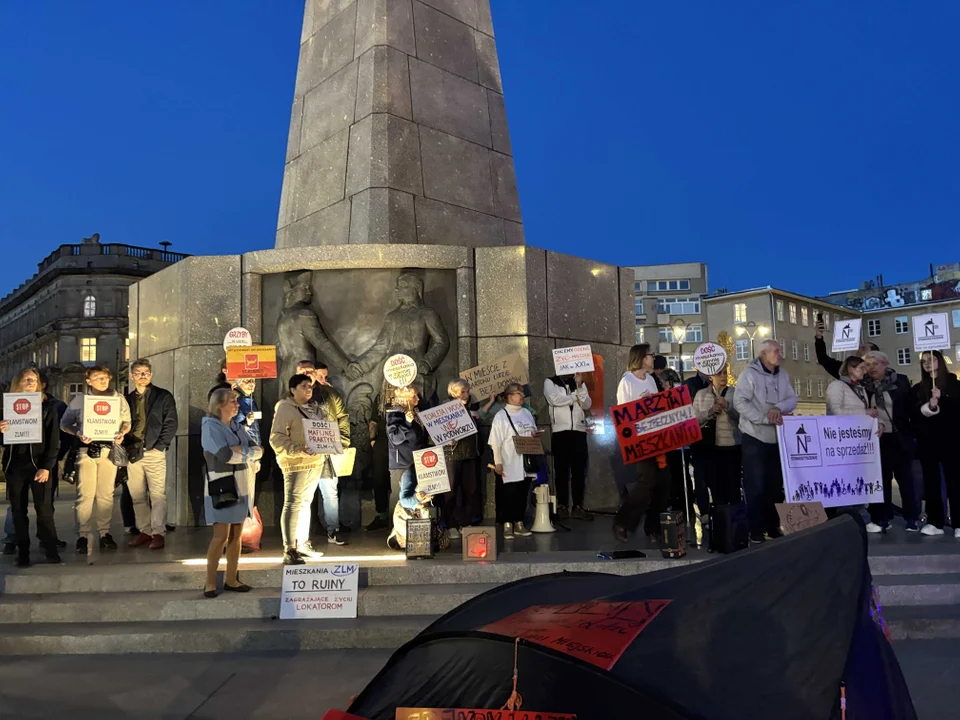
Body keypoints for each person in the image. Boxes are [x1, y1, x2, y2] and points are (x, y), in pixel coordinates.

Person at [60, 365, 132, 554]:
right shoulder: (80, 400)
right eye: (98, 377)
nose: (102, 380)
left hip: (109, 449)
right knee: (85, 494)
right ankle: (83, 534)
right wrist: (78, 432)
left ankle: (104, 532)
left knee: (106, 494)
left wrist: (122, 433)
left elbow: (127, 422)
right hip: (86, 450)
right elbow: (64, 423)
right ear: (88, 381)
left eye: (105, 377)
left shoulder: (118, 398)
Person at [733, 339, 797, 544]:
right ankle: (756, 529)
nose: (780, 354)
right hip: (755, 436)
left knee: (775, 485)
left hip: (777, 437)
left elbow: (792, 398)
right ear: (763, 354)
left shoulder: (783, 375)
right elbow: (739, 402)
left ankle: (773, 525)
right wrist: (762, 418)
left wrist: (778, 407)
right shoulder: (749, 375)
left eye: (780, 350)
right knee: (756, 485)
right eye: (776, 351)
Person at [201, 388, 261, 596]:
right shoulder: (210, 427)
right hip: (223, 484)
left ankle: (232, 578)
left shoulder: (237, 426)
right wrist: (247, 454)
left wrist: (242, 451)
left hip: (243, 484)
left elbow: (258, 449)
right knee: (220, 536)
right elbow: (224, 455)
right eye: (232, 401)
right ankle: (210, 582)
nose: (237, 404)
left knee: (237, 534)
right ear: (219, 405)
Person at [0, 367, 62, 566]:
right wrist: (1, 430)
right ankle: (23, 551)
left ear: (39, 384)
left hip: (40, 466)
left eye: (33, 379)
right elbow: (3, 441)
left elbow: (54, 441)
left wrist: (47, 467)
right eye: (26, 379)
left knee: (44, 510)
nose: (29, 382)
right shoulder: (6, 407)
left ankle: (50, 549)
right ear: (18, 382)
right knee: (18, 511)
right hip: (15, 466)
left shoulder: (47, 408)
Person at [612, 343, 672, 543]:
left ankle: (652, 525)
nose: (652, 358)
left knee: (663, 483)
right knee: (647, 481)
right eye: (650, 355)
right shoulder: (627, 381)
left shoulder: (651, 380)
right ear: (640, 358)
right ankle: (623, 521)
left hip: (656, 436)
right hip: (639, 438)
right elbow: (623, 414)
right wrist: (642, 404)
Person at [272, 375, 332, 564]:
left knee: (306, 502)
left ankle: (302, 543)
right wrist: (297, 450)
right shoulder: (285, 408)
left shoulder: (315, 409)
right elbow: (277, 438)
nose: (308, 389)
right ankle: (289, 548)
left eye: (311, 386)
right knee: (293, 502)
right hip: (295, 463)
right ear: (292, 389)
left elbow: (325, 430)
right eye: (304, 386)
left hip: (315, 462)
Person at [294, 360, 351, 547]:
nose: (306, 374)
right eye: (302, 372)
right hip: (302, 454)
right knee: (303, 496)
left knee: (330, 492)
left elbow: (342, 417)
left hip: (327, 451)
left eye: (309, 371)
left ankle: (333, 530)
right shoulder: (289, 397)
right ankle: (299, 537)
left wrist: (342, 442)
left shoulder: (330, 393)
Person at [125, 359, 178, 551]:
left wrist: (160, 445)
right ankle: (145, 531)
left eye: (146, 372)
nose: (143, 375)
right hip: (133, 451)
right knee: (137, 495)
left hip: (154, 451)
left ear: (151, 375)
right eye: (138, 372)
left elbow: (171, 422)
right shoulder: (127, 399)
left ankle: (158, 532)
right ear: (132, 376)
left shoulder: (163, 396)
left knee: (157, 494)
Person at [862, 350, 917, 533]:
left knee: (905, 480)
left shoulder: (900, 381)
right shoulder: (864, 385)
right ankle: (884, 518)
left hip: (899, 436)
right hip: (878, 438)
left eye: (875, 364)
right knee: (882, 480)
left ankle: (912, 518)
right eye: (868, 365)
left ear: (885, 364)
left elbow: (911, 408)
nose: (871, 368)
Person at [912, 350, 960, 538]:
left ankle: (958, 522)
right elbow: (914, 415)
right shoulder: (919, 389)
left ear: (940, 361)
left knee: (955, 483)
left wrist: (943, 399)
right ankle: (935, 521)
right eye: (923, 361)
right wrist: (930, 406)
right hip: (929, 443)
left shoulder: (954, 385)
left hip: (952, 441)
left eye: (931, 359)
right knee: (931, 484)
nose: (927, 363)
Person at [488, 383, 538, 539]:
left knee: (523, 492)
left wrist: (534, 436)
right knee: (509, 493)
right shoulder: (501, 416)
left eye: (522, 393)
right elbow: (495, 441)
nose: (522, 396)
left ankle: (519, 522)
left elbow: (532, 430)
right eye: (518, 394)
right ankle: (507, 524)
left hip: (525, 460)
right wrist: (498, 462)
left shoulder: (526, 413)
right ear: (510, 396)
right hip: (509, 460)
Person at [692, 366, 742, 510]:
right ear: (710, 377)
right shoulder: (701, 395)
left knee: (733, 487)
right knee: (716, 487)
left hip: (731, 447)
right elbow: (694, 420)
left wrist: (728, 407)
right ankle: (721, 521)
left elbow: (742, 418)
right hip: (711, 448)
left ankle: (736, 523)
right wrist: (709, 412)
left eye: (725, 373)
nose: (723, 376)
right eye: (719, 374)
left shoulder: (734, 393)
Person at [543, 373, 592, 520]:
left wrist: (580, 386)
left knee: (579, 470)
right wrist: (574, 396)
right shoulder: (550, 381)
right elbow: (555, 400)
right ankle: (562, 505)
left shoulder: (578, 383)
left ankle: (578, 506)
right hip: (560, 431)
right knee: (561, 470)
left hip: (578, 430)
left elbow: (587, 404)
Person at [439, 379, 481, 538]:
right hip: (452, 455)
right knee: (450, 491)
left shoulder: (472, 406)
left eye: (467, 391)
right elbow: (436, 431)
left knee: (470, 489)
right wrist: (446, 439)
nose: (466, 394)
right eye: (462, 391)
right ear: (453, 393)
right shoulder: (444, 408)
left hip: (470, 453)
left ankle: (466, 522)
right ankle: (450, 524)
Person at [233, 377, 261, 446]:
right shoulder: (234, 401)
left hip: (254, 447)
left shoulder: (251, 399)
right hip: (242, 447)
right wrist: (247, 424)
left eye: (253, 380)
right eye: (247, 380)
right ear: (238, 382)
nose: (251, 383)